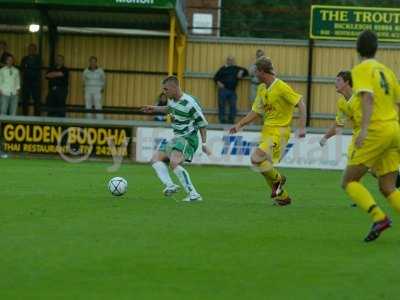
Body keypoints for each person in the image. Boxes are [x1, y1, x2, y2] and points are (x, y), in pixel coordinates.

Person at [341, 30, 400, 242]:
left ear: (358, 49)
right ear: (376, 48)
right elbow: (399, 101)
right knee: (388, 187)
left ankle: (379, 217)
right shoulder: (388, 71)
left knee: (349, 181)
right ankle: (381, 217)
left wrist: (364, 129)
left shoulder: (361, 69)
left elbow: (367, 98)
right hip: (394, 129)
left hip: (377, 130)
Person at [229, 56, 306, 206]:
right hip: (267, 131)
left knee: (255, 159)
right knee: (263, 166)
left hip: (280, 131)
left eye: (256, 72)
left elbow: (300, 103)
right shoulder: (262, 88)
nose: (254, 75)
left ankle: (279, 179)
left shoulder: (281, 87)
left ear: (262, 71)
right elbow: (256, 112)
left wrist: (302, 126)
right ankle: (283, 197)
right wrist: (239, 124)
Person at [142, 76, 210, 202]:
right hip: (177, 138)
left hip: (188, 138)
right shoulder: (172, 100)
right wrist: (154, 108)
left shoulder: (190, 103)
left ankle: (193, 194)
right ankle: (170, 185)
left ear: (174, 87)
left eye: (166, 89)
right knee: (155, 159)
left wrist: (204, 143)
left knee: (174, 162)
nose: (164, 92)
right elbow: (170, 109)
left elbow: (202, 123)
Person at [214, 55, 248, 124]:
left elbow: (246, 72)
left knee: (233, 106)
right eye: (230, 60)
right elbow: (215, 78)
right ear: (227, 61)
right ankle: (222, 120)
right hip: (223, 90)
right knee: (222, 105)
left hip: (232, 90)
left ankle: (231, 120)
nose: (231, 61)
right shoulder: (223, 68)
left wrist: (241, 72)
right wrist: (218, 83)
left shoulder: (237, 68)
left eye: (232, 60)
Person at [20, 43, 42, 116]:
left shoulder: (38, 59)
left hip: (36, 83)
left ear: (35, 50)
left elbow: (38, 69)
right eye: (30, 49)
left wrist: (28, 66)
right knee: (25, 100)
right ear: (28, 50)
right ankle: (25, 116)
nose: (31, 50)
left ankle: (37, 117)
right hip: (26, 82)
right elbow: (22, 69)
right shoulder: (24, 59)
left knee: (37, 101)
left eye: (33, 49)